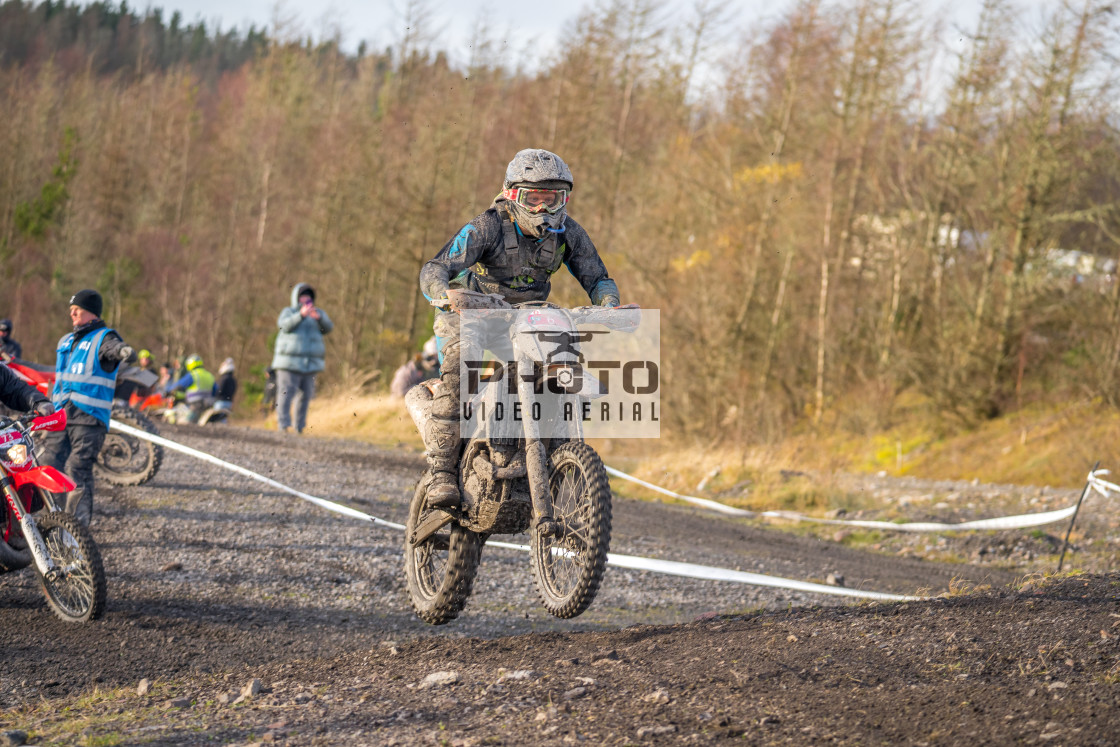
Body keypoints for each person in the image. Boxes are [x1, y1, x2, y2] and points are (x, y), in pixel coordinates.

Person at [418, 149, 621, 509]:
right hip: (472, 313)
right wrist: (444, 293)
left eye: (552, 199)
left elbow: (598, 278)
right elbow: (436, 266)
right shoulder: (487, 226)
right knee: (458, 374)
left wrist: (609, 306)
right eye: (534, 198)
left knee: (561, 371)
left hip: (527, 319)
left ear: (565, 199)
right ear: (512, 195)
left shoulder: (569, 233)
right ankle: (442, 474)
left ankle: (559, 462)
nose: (543, 209)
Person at [39, 289, 135, 526]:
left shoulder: (104, 338)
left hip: (89, 418)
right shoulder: (66, 341)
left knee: (76, 469)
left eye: (77, 309)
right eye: (71, 309)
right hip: (61, 415)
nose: (71, 313)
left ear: (90, 312)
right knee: (50, 466)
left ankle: (77, 528)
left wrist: (123, 351)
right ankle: (52, 521)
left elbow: (113, 348)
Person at [272, 282, 333, 434]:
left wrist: (319, 319)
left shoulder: (317, 313)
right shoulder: (289, 312)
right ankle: (284, 425)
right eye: (302, 296)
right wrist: (300, 315)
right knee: (286, 393)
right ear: (297, 298)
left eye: (308, 297)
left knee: (305, 396)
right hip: (288, 362)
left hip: (310, 364)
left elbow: (328, 328)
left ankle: (300, 427)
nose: (305, 299)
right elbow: (283, 326)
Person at [162, 354, 217, 423]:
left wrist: (167, 391)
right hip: (208, 404)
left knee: (183, 421)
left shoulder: (193, 375)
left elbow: (179, 384)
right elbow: (216, 390)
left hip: (194, 404)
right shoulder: (209, 375)